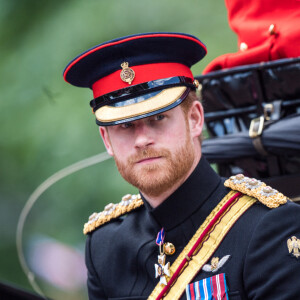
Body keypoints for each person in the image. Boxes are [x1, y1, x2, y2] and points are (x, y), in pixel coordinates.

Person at [63, 32, 300, 299]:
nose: (142, 139)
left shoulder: (268, 226)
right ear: (107, 140)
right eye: (125, 126)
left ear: (196, 119)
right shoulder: (105, 247)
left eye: (159, 118)